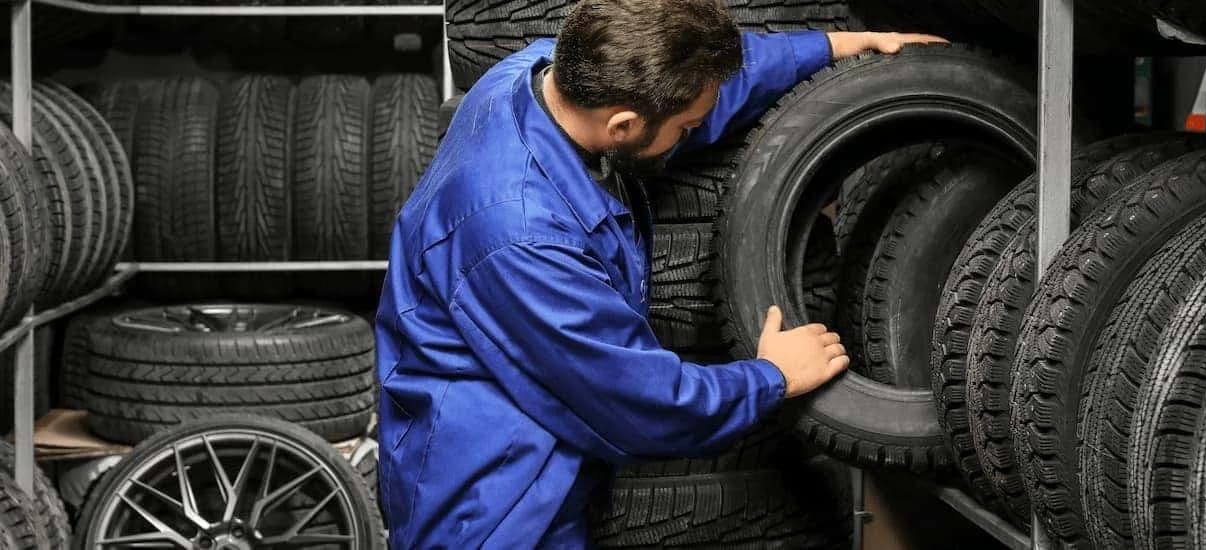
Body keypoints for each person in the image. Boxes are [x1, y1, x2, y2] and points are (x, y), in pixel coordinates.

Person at [375, 0, 941, 545]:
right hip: (491, 505)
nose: (696, 132)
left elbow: (700, 89)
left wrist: (835, 46)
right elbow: (638, 401)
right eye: (687, 130)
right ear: (623, 126)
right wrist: (773, 376)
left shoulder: (537, 73)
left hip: (528, 458)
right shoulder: (523, 237)